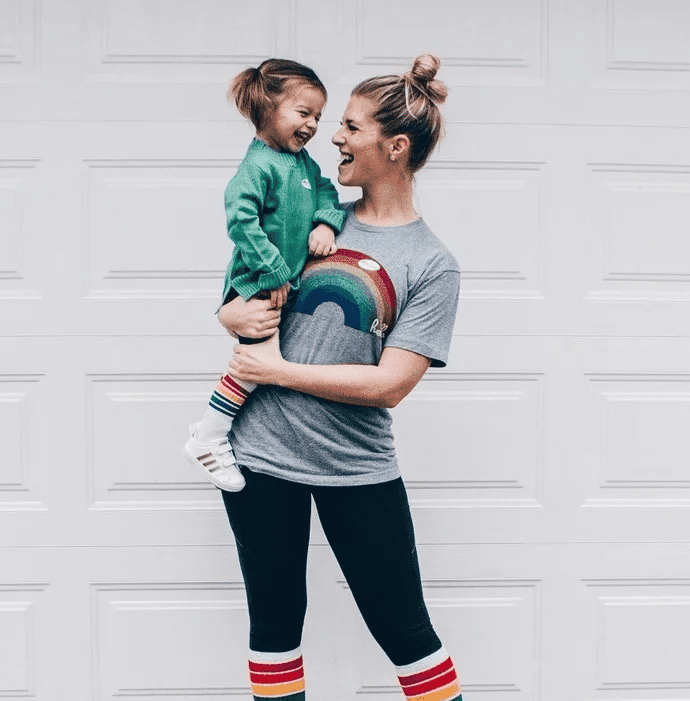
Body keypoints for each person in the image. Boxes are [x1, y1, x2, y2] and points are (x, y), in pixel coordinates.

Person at [218, 54, 465, 701]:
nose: (333, 137)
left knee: (407, 635)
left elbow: (389, 384)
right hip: (261, 456)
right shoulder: (313, 220)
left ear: (395, 145)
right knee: (274, 631)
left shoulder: (431, 264)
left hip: (357, 467)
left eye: (351, 127)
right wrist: (229, 312)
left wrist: (277, 369)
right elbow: (245, 289)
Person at [182, 59, 346, 492]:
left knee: (260, 366)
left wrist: (327, 221)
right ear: (267, 109)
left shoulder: (303, 163)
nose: (312, 125)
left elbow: (328, 190)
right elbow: (241, 221)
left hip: (280, 284)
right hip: (255, 283)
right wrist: (273, 271)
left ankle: (212, 432)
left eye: (318, 116)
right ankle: (209, 437)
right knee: (255, 368)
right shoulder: (258, 166)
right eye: (303, 113)